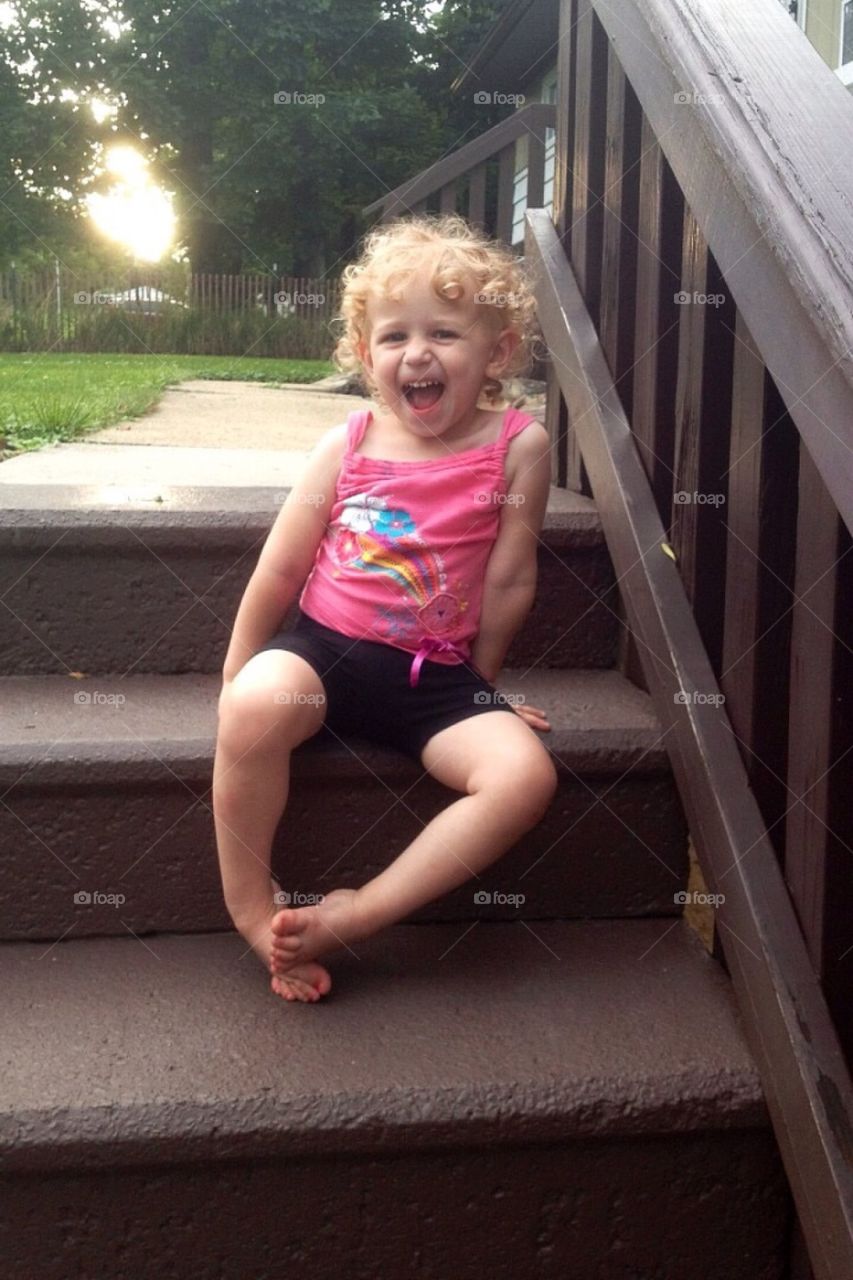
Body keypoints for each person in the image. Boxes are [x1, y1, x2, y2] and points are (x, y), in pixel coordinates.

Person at [213, 213, 557, 1002]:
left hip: (435, 677)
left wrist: (483, 690)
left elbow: (509, 579)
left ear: (497, 352)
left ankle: (360, 913)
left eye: (444, 333)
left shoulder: (518, 446)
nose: (417, 353)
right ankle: (252, 912)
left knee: (522, 778)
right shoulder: (347, 443)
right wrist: (236, 675)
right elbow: (282, 565)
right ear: (367, 356)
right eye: (395, 336)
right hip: (322, 654)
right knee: (255, 707)